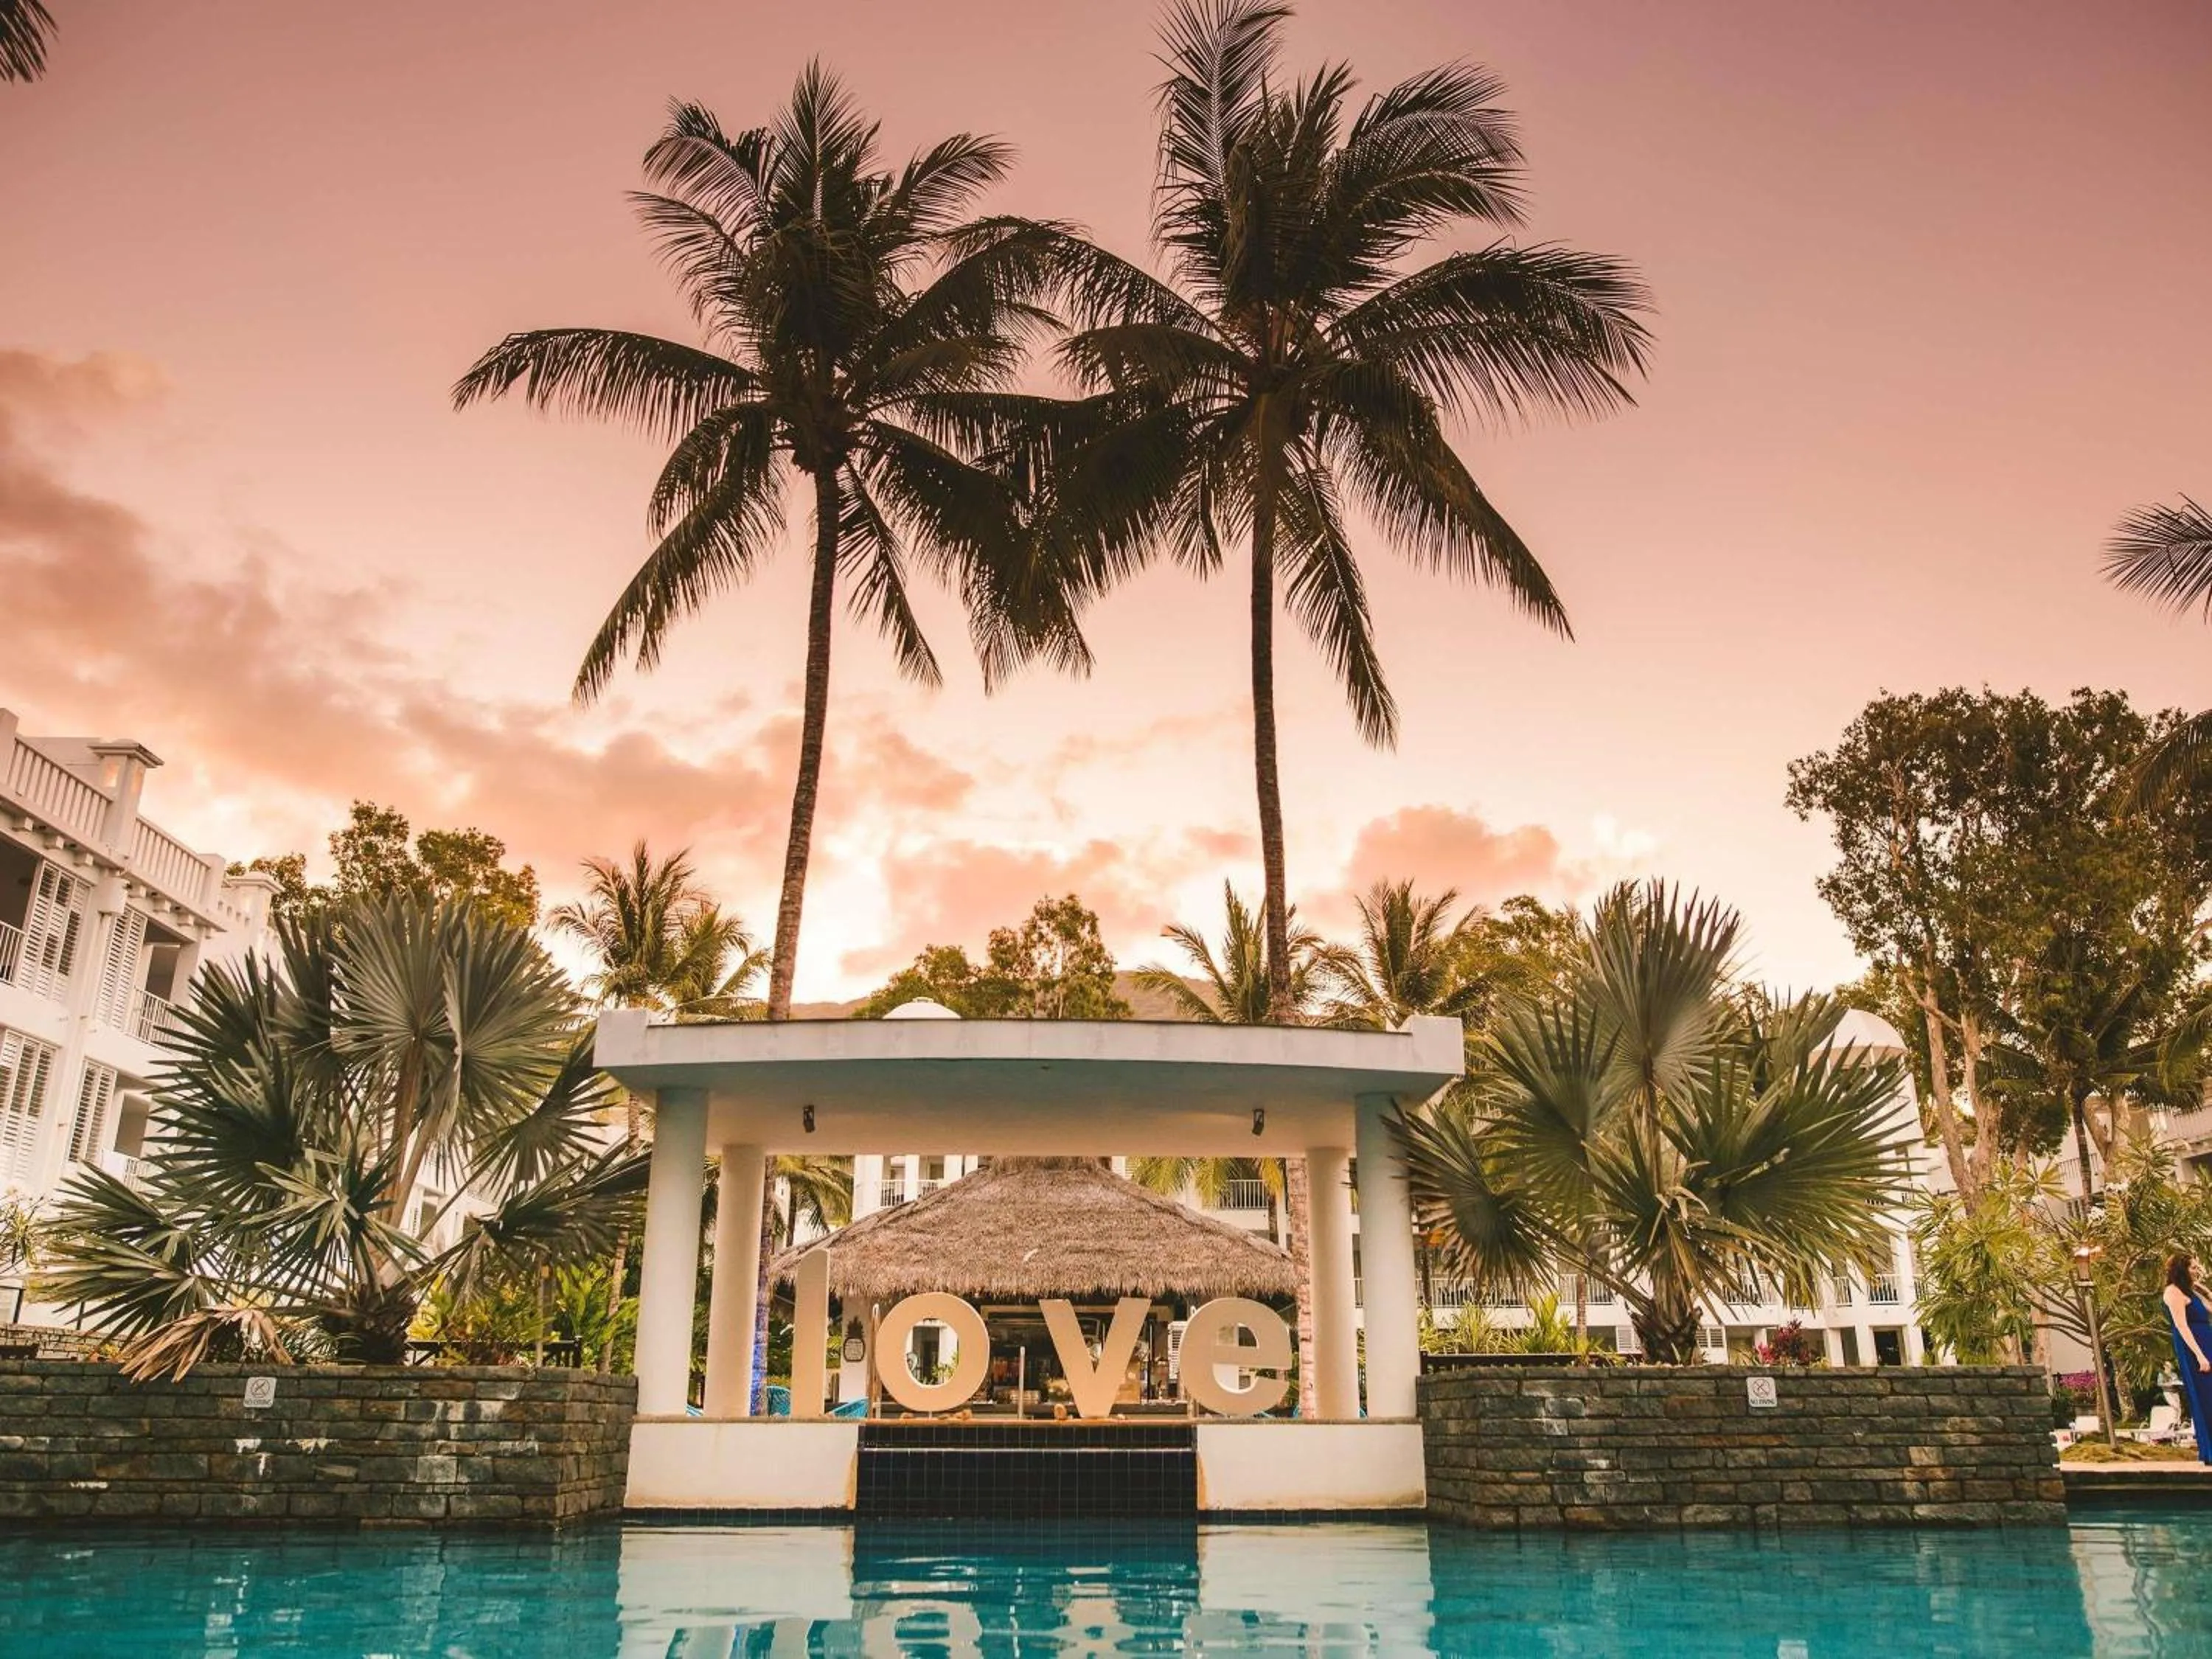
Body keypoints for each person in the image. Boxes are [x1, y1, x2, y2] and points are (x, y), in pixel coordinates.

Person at [2163, 1253, 2212, 1463]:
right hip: (2195, 1348)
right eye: (2192, 1268)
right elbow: (2181, 1326)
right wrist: (2200, 1356)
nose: (2196, 1271)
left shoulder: (2190, 1291)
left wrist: (2205, 1290)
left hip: (2207, 1341)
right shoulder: (2173, 1292)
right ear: (2181, 1270)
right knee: (2205, 1396)